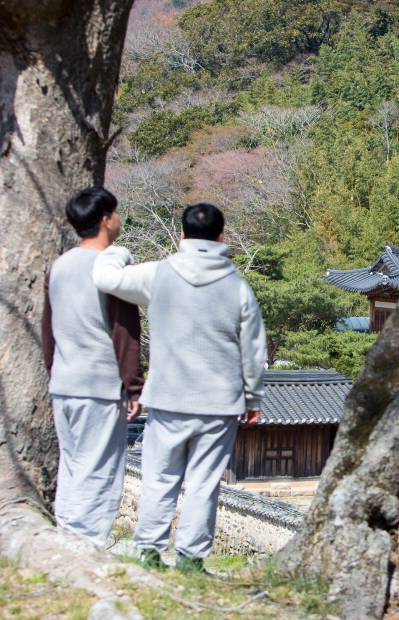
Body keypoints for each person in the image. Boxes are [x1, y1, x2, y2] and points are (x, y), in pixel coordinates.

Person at [92, 203, 266, 573]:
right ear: (222, 237)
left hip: (168, 398)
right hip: (220, 402)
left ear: (182, 234)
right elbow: (253, 350)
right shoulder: (238, 286)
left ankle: (150, 551)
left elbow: (106, 279)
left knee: (159, 477)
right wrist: (253, 398)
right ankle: (191, 558)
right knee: (204, 483)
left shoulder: (158, 274)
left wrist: (118, 250)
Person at [42, 186, 144, 547]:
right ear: (105, 219)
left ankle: (65, 539)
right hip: (98, 384)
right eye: (115, 212)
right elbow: (123, 330)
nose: (118, 218)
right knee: (99, 471)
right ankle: (86, 548)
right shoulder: (111, 266)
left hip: (64, 383)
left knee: (72, 467)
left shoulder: (60, 264)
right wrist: (135, 386)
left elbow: (48, 328)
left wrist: (55, 371)